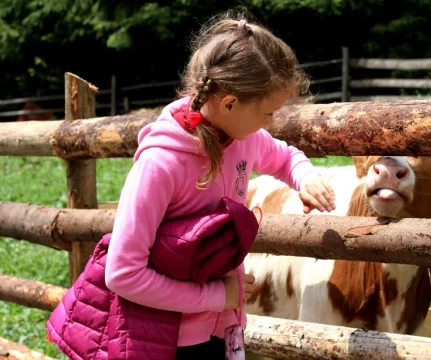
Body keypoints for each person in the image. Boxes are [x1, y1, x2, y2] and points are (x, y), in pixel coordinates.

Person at [104, 9, 336, 360]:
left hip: (224, 328)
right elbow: (123, 274)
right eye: (268, 113)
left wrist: (306, 177)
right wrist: (216, 297)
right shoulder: (160, 165)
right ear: (229, 102)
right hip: (169, 341)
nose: (270, 125)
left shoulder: (242, 137)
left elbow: (285, 157)